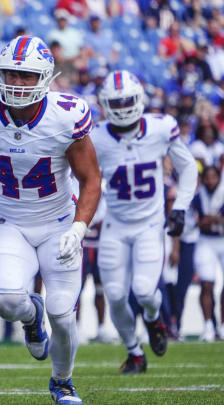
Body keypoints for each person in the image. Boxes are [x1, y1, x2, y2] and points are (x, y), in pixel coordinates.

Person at [0, 36, 101, 404]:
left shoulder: (65, 114)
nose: (16, 83)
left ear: (45, 78)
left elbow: (91, 178)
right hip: (10, 221)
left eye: (26, 76)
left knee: (62, 312)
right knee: (6, 302)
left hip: (59, 220)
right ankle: (32, 318)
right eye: (10, 74)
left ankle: (62, 382)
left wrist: (79, 228)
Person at [91, 70, 197, 373]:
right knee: (113, 294)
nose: (123, 107)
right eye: (116, 102)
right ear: (104, 104)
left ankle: (153, 319)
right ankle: (134, 352)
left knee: (144, 291)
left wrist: (180, 208)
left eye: (127, 100)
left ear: (139, 100)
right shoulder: (96, 136)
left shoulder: (161, 128)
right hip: (115, 224)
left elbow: (188, 168)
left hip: (150, 224)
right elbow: (81, 179)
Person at [192, 166, 224, 341]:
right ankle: (208, 325)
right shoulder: (198, 197)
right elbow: (194, 222)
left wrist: (211, 219)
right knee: (206, 284)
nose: (210, 181)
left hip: (221, 239)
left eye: (214, 177)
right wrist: (211, 219)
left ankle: (222, 325)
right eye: (207, 177)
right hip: (206, 241)